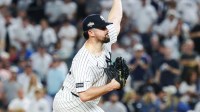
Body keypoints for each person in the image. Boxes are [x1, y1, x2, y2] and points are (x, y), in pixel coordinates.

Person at [53, 0, 123, 111]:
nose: (106, 30)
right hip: (69, 103)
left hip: (86, 103)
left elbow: (116, 19)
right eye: (102, 28)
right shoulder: (83, 60)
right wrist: (111, 86)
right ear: (91, 33)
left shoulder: (105, 39)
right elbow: (84, 95)